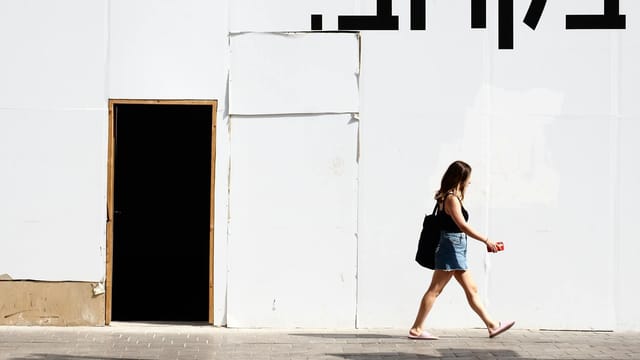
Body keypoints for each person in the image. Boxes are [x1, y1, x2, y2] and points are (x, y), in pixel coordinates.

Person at [409, 160, 515, 340]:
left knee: (471, 288)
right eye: (469, 178)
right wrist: (486, 240)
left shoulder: (448, 196)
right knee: (435, 289)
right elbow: (462, 226)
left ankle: (492, 325)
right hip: (450, 247)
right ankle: (416, 329)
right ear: (461, 178)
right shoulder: (451, 198)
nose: (470, 182)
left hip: (454, 247)